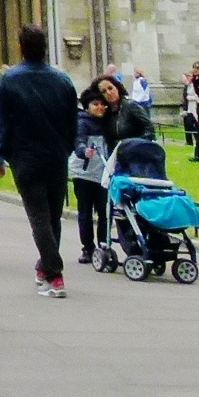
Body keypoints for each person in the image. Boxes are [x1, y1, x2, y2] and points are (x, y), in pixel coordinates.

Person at [0, 23, 77, 298]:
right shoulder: (63, 80)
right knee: (52, 215)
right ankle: (45, 268)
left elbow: (2, 123)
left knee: (39, 217)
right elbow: (72, 123)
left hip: (26, 156)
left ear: (21, 47)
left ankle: (54, 274)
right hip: (55, 155)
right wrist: (66, 148)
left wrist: (3, 154)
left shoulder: (9, 80)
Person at [70, 79, 120, 264]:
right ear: (87, 106)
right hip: (84, 173)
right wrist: (85, 152)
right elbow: (79, 142)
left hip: (103, 174)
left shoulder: (107, 123)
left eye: (101, 104)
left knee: (104, 211)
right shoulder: (82, 122)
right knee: (85, 212)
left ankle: (102, 245)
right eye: (95, 104)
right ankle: (87, 248)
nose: (99, 108)